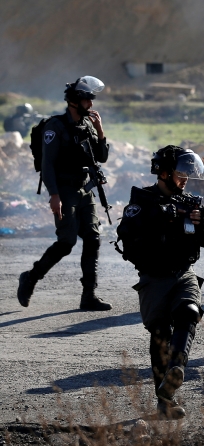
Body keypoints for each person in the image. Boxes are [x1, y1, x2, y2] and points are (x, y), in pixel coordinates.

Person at [115, 145, 204, 419]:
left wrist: (199, 224)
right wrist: (161, 217)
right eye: (180, 173)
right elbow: (126, 231)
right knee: (159, 333)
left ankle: (177, 367)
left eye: (187, 173)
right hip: (153, 277)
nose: (185, 179)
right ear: (163, 173)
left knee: (189, 313)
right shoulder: (142, 201)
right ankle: (165, 402)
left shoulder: (187, 201)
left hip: (183, 272)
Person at [17, 76, 112, 311]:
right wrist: (54, 196)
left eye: (91, 99)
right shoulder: (55, 127)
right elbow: (48, 165)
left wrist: (100, 131)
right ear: (74, 101)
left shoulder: (88, 125)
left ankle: (88, 295)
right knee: (67, 242)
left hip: (84, 189)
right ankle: (30, 278)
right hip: (64, 190)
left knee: (92, 238)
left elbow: (101, 157)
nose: (91, 104)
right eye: (87, 99)